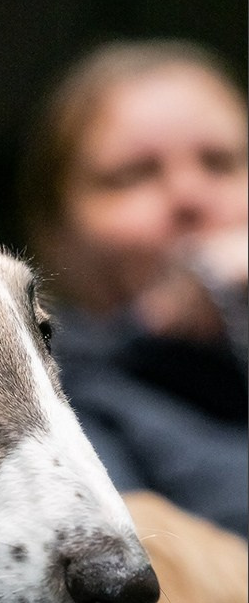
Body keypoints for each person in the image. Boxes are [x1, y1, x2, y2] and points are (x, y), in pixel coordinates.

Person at [16, 39, 247, 538]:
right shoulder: (50, 404)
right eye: (134, 175)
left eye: (221, 163)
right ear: (53, 232)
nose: (189, 196)